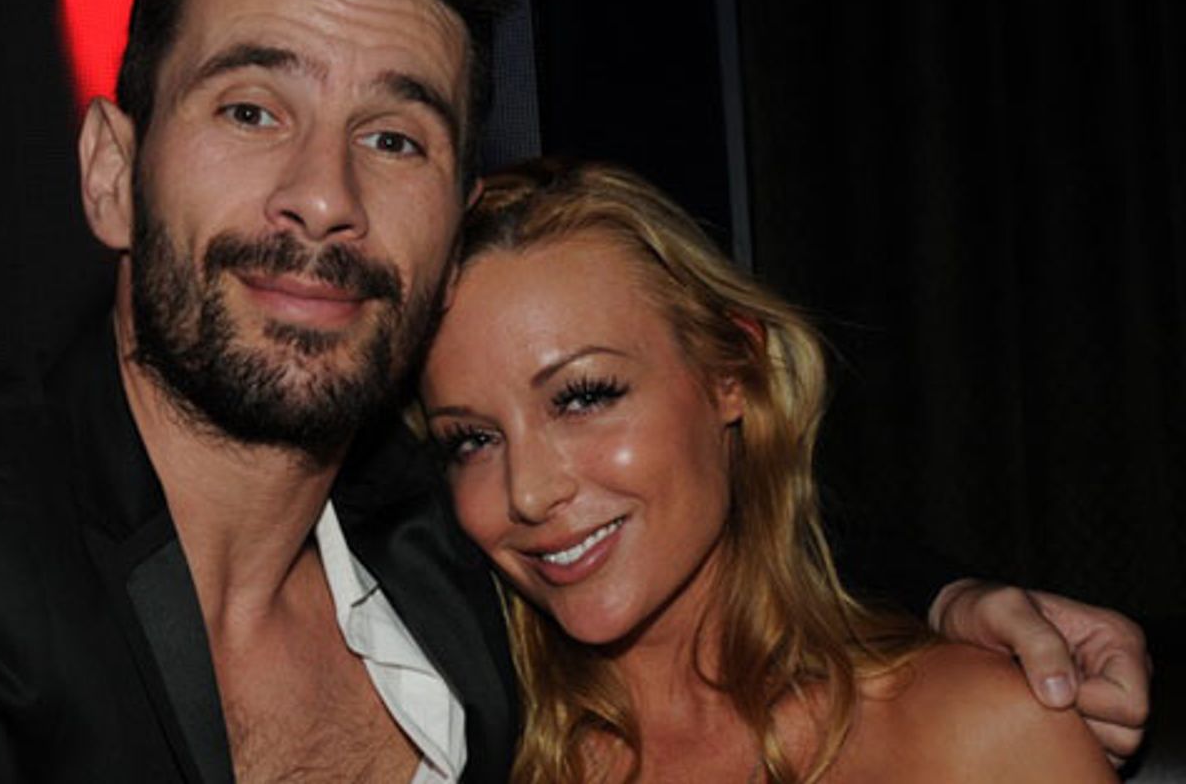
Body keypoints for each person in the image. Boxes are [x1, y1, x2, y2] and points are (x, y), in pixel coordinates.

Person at [0, 0, 1147, 781]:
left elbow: (704, 506)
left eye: (393, 137)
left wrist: (956, 599)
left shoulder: (446, 556)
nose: (324, 195)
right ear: (109, 173)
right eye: (252, 109)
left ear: (448, 221)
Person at [419, 158, 1124, 782]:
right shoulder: (447, 757)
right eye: (472, 440)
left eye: (584, 397)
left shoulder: (977, 732)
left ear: (731, 371)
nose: (530, 492)